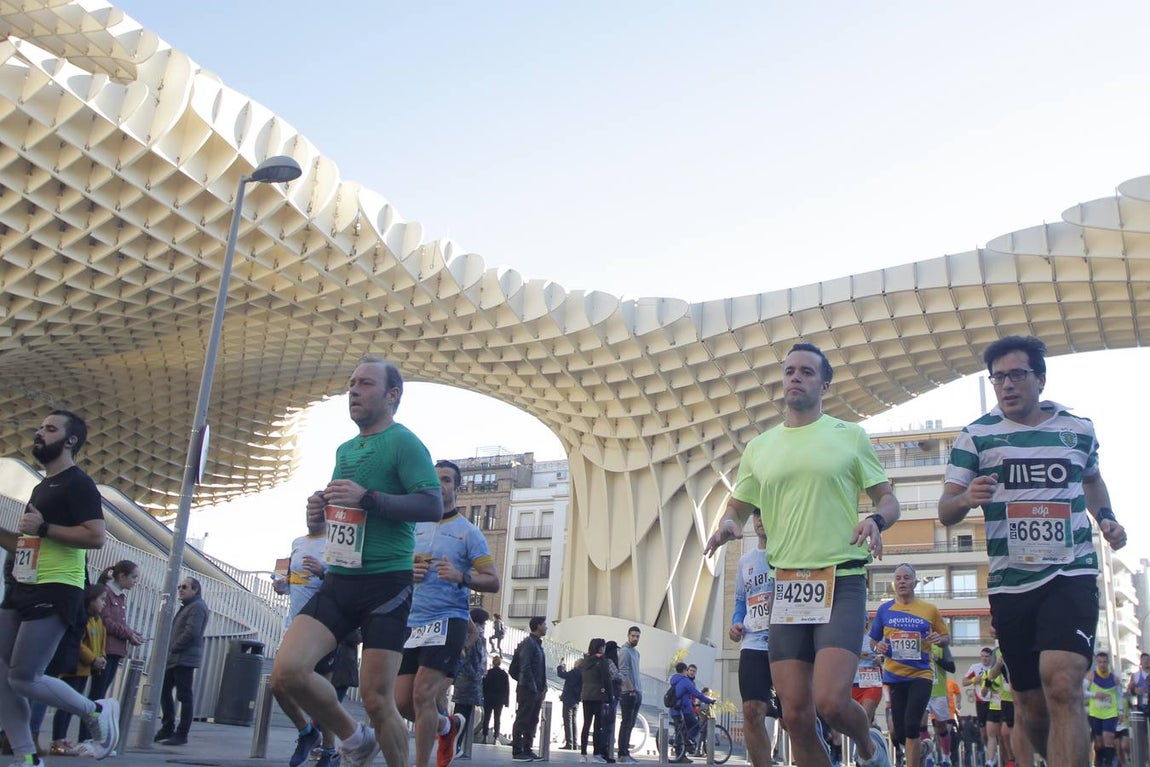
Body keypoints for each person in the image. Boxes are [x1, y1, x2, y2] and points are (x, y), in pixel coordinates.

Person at [704, 343, 899, 767]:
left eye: (807, 372)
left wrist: (876, 521)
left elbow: (888, 500)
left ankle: (869, 746)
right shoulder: (760, 447)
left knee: (830, 702)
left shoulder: (850, 436)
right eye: (789, 370)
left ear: (824, 384)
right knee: (794, 715)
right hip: (788, 585)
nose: (795, 377)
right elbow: (739, 504)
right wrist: (728, 523)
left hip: (841, 577)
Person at [939, 335, 1127, 767]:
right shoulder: (977, 436)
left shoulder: (1076, 429)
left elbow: (1093, 480)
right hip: (1012, 582)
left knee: (1062, 684)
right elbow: (946, 509)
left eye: (1017, 375)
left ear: (1039, 379)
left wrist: (1107, 518)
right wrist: (967, 498)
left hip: (1070, 571)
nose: (1006, 385)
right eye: (998, 377)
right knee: (1031, 706)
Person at [269, 357, 444, 767]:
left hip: (387, 582)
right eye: (351, 384)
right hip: (340, 578)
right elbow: (343, 517)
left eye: (365, 384)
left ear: (392, 395)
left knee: (378, 700)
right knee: (286, 672)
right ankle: (354, 737)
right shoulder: (346, 450)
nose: (353, 391)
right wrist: (317, 516)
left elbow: (432, 503)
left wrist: (368, 498)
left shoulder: (405, 442)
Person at [0, 410, 121, 764]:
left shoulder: (77, 483)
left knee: (24, 677)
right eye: (40, 427)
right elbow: (27, 541)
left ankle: (95, 710)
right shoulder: (42, 486)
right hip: (24, 585)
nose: (40, 433)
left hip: (57, 587)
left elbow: (96, 537)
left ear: (70, 441)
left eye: (49, 429)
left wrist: (45, 528)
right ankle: (26, 757)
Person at [396, 459, 500, 767]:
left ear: (456, 487)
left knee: (422, 695)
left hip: (448, 620)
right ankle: (447, 726)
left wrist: (461, 576)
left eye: (445, 479)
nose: (439, 484)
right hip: (412, 622)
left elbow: (492, 580)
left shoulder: (468, 532)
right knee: (402, 701)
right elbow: (395, 568)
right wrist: (407, 571)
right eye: (433, 479)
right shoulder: (413, 527)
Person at [271, 512, 340, 767]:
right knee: (277, 684)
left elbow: (343, 585)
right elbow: (295, 581)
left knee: (323, 693)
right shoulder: (297, 542)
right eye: (308, 508)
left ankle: (329, 751)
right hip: (293, 624)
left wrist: (323, 572)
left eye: (318, 510)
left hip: (323, 626)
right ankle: (306, 732)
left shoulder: (336, 542)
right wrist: (283, 586)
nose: (312, 514)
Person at [870, 564, 949, 767]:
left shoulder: (929, 609)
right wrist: (878, 646)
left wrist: (938, 638)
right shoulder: (884, 610)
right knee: (899, 731)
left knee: (913, 725)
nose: (902, 581)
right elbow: (873, 640)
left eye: (906, 578)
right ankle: (922, 749)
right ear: (894, 583)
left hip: (921, 675)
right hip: (894, 676)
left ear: (915, 582)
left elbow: (945, 636)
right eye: (898, 578)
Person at [729, 510, 776, 767]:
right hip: (753, 643)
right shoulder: (745, 560)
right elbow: (740, 601)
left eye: (766, 515)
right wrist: (735, 623)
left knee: (795, 716)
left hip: (786, 644)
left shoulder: (789, 555)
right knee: (752, 711)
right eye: (756, 516)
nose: (760, 521)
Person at [49, 584, 107, 756]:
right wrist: (92, 658)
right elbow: (78, 644)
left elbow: (101, 642)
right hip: (74, 667)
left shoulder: (98, 620)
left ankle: (62, 739)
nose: (104, 604)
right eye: (101, 600)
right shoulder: (83, 618)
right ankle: (57, 740)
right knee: (66, 705)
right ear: (90, 600)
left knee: (74, 706)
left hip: (86, 669)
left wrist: (101, 657)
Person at [156, 576, 209, 746]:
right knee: (164, 691)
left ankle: (181, 733)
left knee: (184, 695)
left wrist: (174, 647)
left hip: (183, 658)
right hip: (176, 657)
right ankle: (168, 727)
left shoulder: (197, 607)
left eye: (185, 587)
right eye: (179, 586)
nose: (180, 589)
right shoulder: (189, 606)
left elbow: (192, 632)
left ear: (195, 590)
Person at [91, 560, 144, 706]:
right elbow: (106, 621)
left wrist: (131, 633)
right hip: (105, 648)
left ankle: (91, 726)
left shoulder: (119, 596)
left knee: (100, 693)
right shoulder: (106, 592)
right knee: (97, 694)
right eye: (133, 577)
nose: (135, 582)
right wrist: (128, 634)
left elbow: (117, 622)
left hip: (115, 649)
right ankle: (87, 727)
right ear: (121, 576)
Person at [509, 616, 548, 761]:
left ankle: (527, 748)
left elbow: (540, 669)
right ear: (538, 626)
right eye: (544, 624)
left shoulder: (537, 645)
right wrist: (533, 688)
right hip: (528, 689)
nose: (546, 627)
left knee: (532, 720)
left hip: (535, 689)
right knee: (523, 718)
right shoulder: (529, 643)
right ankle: (517, 750)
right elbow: (525, 667)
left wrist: (544, 687)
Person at [452, 608, 490, 743]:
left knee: (465, 713)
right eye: (483, 623)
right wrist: (475, 675)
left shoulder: (478, 638)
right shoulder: (471, 637)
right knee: (462, 713)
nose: (484, 626)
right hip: (467, 681)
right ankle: (454, 743)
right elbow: (467, 660)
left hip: (470, 682)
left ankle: (457, 743)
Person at [667, 661, 714, 763]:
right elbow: (697, 694)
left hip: (676, 709)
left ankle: (681, 754)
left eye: (694, 671)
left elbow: (683, 695)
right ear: (685, 670)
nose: (692, 672)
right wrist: (709, 700)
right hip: (683, 709)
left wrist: (693, 704)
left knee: (681, 730)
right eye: (690, 670)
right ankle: (685, 746)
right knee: (694, 726)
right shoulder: (685, 681)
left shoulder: (674, 679)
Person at [925, 642, 958, 767]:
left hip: (939, 693)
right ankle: (929, 758)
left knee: (941, 727)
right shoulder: (917, 641)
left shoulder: (941, 645)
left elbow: (952, 667)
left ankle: (946, 757)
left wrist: (937, 659)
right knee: (922, 724)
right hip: (922, 689)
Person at [1087, 651, 1121, 767]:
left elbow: (1119, 695)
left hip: (1110, 713)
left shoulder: (1114, 678)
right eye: (1100, 662)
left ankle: (1109, 763)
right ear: (1097, 662)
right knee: (1099, 742)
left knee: (1108, 738)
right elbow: (1082, 691)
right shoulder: (1091, 676)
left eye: (1105, 662)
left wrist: (1120, 711)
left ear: (1108, 663)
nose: (1102, 664)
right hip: (1095, 713)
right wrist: (1095, 694)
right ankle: (1100, 761)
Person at [961, 647, 995, 759]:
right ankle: (987, 749)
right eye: (982, 656)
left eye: (987, 657)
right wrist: (973, 680)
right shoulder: (975, 667)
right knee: (984, 732)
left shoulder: (994, 667)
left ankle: (992, 755)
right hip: (980, 701)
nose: (984, 659)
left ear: (991, 657)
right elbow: (964, 682)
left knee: (992, 731)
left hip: (994, 701)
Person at [852, 617, 883, 727]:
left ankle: (868, 738)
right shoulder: (845, 638)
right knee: (849, 723)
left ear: (866, 621)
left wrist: (881, 658)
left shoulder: (876, 638)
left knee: (864, 719)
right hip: (850, 684)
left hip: (871, 683)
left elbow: (887, 654)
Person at [616, 627, 642, 763]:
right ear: (628, 636)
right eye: (633, 636)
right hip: (628, 693)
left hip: (637, 692)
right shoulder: (625, 651)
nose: (635, 638)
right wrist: (631, 690)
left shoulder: (636, 653)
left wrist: (637, 691)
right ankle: (622, 753)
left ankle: (626, 752)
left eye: (637, 636)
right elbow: (623, 672)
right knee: (626, 723)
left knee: (630, 723)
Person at [481, 655, 510, 745]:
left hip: (489, 698)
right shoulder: (504, 674)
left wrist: (482, 696)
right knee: (497, 718)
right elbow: (506, 689)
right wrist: (506, 701)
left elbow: (483, 686)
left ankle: (484, 736)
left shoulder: (488, 673)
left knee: (486, 718)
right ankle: (495, 737)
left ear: (493, 662)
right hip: (499, 699)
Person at [558, 659, 583, 750]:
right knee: (573, 721)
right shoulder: (582, 673)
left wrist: (560, 667)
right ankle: (574, 743)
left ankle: (569, 742)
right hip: (576, 700)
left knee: (567, 721)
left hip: (569, 699)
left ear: (578, 664)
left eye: (576, 662)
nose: (574, 663)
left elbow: (562, 675)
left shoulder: (574, 672)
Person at [1126, 653, 1150, 717]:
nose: (1146, 661)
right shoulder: (1135, 675)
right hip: (1141, 708)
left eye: (1148, 659)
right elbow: (1128, 692)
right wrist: (1134, 690)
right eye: (1144, 659)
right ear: (1141, 662)